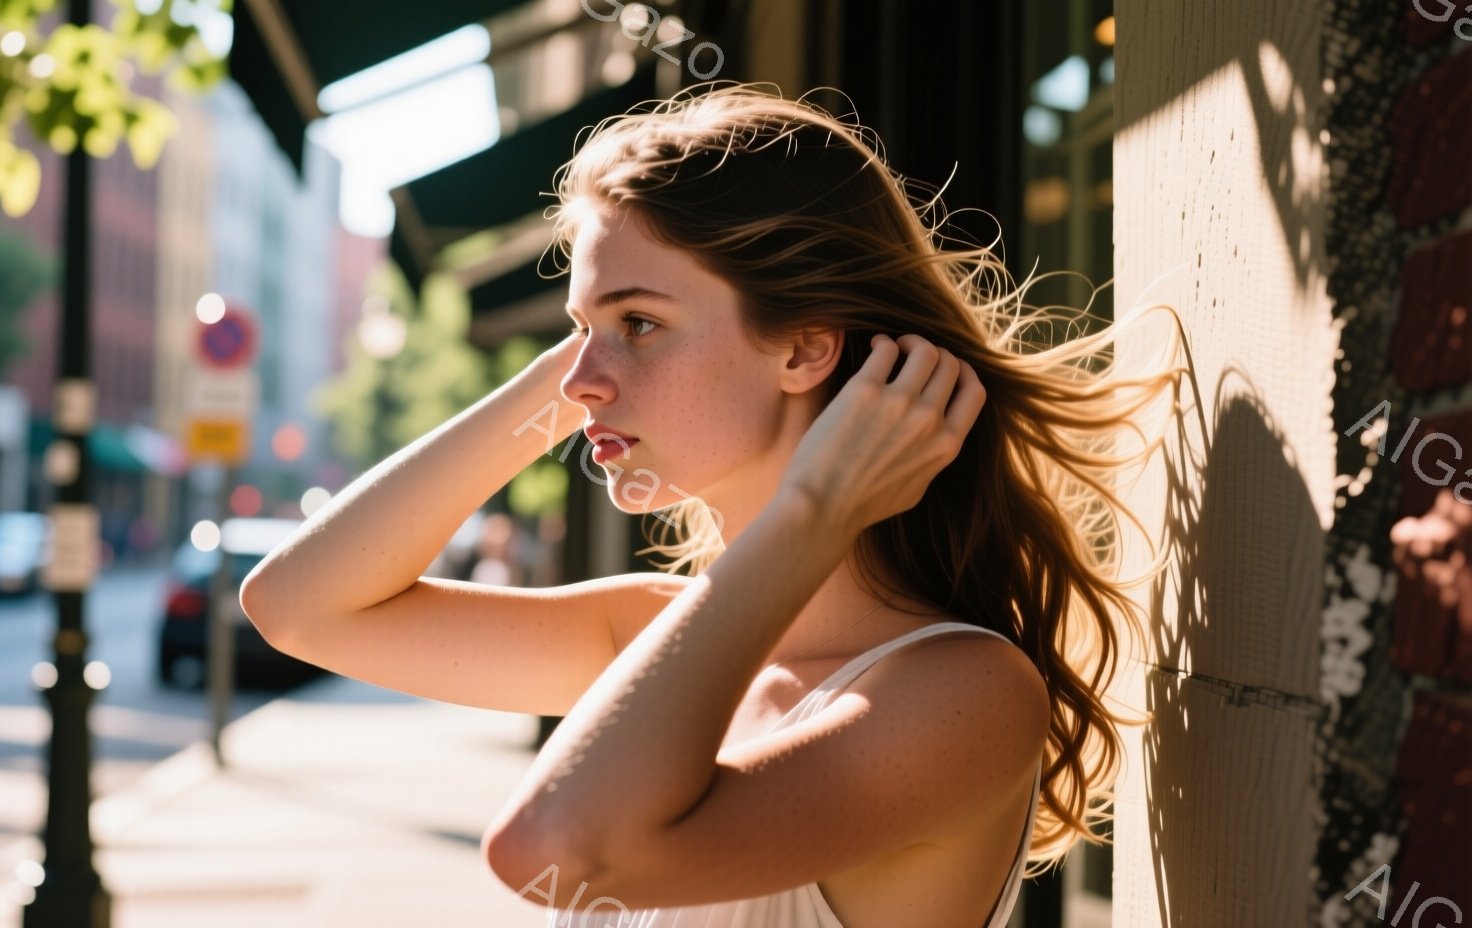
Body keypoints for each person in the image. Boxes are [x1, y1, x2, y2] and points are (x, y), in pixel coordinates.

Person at [240, 84, 1183, 927]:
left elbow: (558, 853)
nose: (582, 384)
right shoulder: (659, 638)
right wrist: (581, 360)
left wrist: (813, 514)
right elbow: (297, 606)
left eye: (641, 324)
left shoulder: (961, 693)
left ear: (806, 348)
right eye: (580, 330)